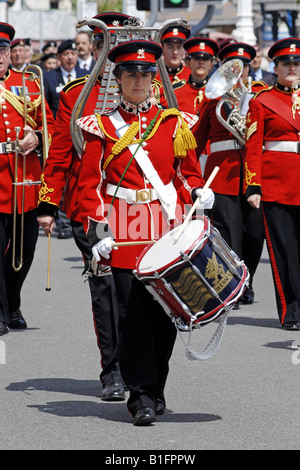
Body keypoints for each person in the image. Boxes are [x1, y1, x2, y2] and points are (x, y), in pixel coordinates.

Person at [76, 39, 215, 426]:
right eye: (131, 74)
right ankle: (140, 398)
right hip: (122, 225)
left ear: (155, 79)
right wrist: (98, 228)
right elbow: (88, 185)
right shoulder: (100, 127)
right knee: (132, 315)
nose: (139, 80)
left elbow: (186, 174)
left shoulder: (173, 122)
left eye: (145, 74)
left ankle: (156, 389)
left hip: (165, 225)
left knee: (165, 316)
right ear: (117, 79)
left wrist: (198, 192)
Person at [37, 12, 133, 400]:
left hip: (141, 212)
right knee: (106, 290)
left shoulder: (152, 90)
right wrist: (47, 205)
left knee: (139, 293)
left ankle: (141, 368)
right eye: (102, 43)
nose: (107, 50)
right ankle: (112, 370)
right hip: (89, 210)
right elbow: (59, 154)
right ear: (95, 47)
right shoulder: (76, 94)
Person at [194, 42, 267, 307]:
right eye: (233, 68)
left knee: (254, 234)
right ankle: (233, 286)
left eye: (244, 67)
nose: (240, 73)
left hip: (253, 174)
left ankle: (247, 280)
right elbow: (197, 140)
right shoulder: (212, 100)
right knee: (228, 233)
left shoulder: (260, 96)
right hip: (221, 172)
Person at [0, 22, 54, 336]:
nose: (0, 56)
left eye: (3, 50)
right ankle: (2, 311)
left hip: (24, 176)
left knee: (25, 250)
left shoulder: (29, 82)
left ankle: (12, 301)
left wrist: (36, 135)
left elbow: (48, 124)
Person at [244, 37, 300, 330]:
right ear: (275, 68)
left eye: (296, 63)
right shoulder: (262, 101)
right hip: (277, 184)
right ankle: (292, 311)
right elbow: (254, 147)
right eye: (286, 63)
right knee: (284, 250)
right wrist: (253, 186)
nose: (292, 68)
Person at [43, 39, 87, 239]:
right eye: (66, 54)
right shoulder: (48, 77)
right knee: (61, 172)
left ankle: (64, 217)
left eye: (73, 53)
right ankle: (60, 217)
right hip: (57, 134)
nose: (70, 57)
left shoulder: (86, 77)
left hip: (79, 135)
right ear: (59, 57)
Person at [173, 37, 219, 116]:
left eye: (205, 59)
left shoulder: (217, 92)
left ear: (211, 65)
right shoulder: (175, 90)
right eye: (197, 58)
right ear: (189, 63)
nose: (201, 62)